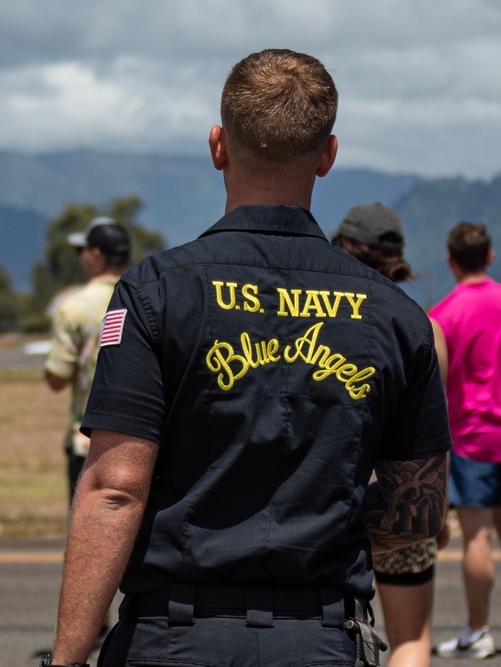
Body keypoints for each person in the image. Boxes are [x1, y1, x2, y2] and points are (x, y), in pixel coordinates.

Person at [44, 48, 451, 667]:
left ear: (218, 145)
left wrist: (67, 660)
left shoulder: (156, 290)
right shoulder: (396, 315)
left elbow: (114, 489)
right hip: (318, 636)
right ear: (327, 156)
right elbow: (416, 514)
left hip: (171, 636)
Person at [332, 202, 450, 667]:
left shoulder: (328, 321)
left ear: (343, 246)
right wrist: (439, 506)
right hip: (409, 497)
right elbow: (434, 434)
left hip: (334, 502)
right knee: (410, 639)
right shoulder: (424, 327)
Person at [430, 222, 501, 660]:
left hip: (472, 436)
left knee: (476, 537)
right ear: (490, 257)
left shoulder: (442, 313)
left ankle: (478, 631)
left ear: (451, 261)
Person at [44, 216, 132, 503]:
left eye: (81, 250)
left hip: (87, 441)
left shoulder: (74, 306)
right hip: (140, 439)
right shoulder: (148, 296)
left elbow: (57, 377)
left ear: (96, 254)